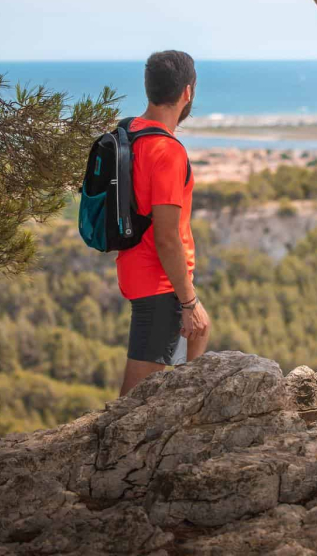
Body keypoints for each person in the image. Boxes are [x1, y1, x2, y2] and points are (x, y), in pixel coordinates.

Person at [117, 50, 211, 396]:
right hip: (159, 281)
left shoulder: (130, 131)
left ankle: (185, 411)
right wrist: (188, 302)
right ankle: (117, 447)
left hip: (134, 268)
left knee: (201, 331)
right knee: (135, 395)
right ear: (187, 92)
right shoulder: (168, 151)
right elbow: (167, 237)